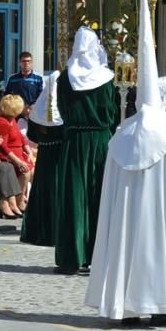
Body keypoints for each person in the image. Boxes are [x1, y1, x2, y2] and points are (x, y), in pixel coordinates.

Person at [85, 0, 166, 326]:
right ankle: (159, 303)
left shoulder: (122, 137)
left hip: (129, 214)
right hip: (160, 214)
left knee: (126, 245)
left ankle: (127, 304)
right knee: (159, 248)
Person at [55, 27, 119, 274]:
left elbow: (60, 108)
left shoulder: (64, 78)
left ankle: (72, 256)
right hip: (101, 140)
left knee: (73, 197)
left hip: (74, 141)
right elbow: (113, 112)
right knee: (99, 196)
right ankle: (98, 254)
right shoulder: (107, 78)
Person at [21, 72, 65, 245]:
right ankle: (56, 232)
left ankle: (41, 232)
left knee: (42, 192)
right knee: (56, 192)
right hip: (59, 157)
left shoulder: (38, 108)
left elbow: (33, 135)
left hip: (44, 156)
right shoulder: (62, 109)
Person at [0, 94, 34, 209]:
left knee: (32, 170)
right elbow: (3, 147)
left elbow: (21, 137)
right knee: (25, 171)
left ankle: (22, 197)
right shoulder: (2, 122)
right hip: (6, 156)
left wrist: (28, 151)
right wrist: (18, 161)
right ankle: (19, 200)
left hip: (17, 153)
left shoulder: (11, 119)